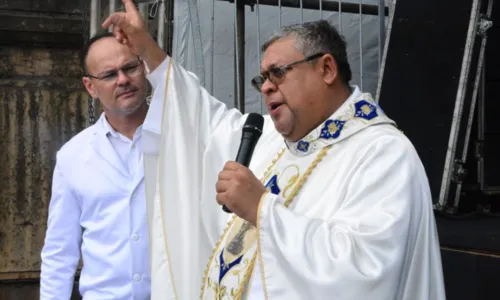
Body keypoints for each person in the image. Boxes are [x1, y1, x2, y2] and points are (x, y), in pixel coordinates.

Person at [103, 0, 446, 299]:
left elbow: (365, 272)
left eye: (277, 73)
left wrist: (261, 209)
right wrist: (147, 49)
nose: (265, 87)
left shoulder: (383, 155)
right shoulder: (273, 139)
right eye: (261, 78)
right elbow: (199, 121)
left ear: (327, 68)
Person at [40, 31, 152, 299]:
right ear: (90, 86)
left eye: (130, 68)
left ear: (144, 67)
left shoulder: (181, 138)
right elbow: (59, 252)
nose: (123, 80)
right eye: (109, 75)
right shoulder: (73, 157)